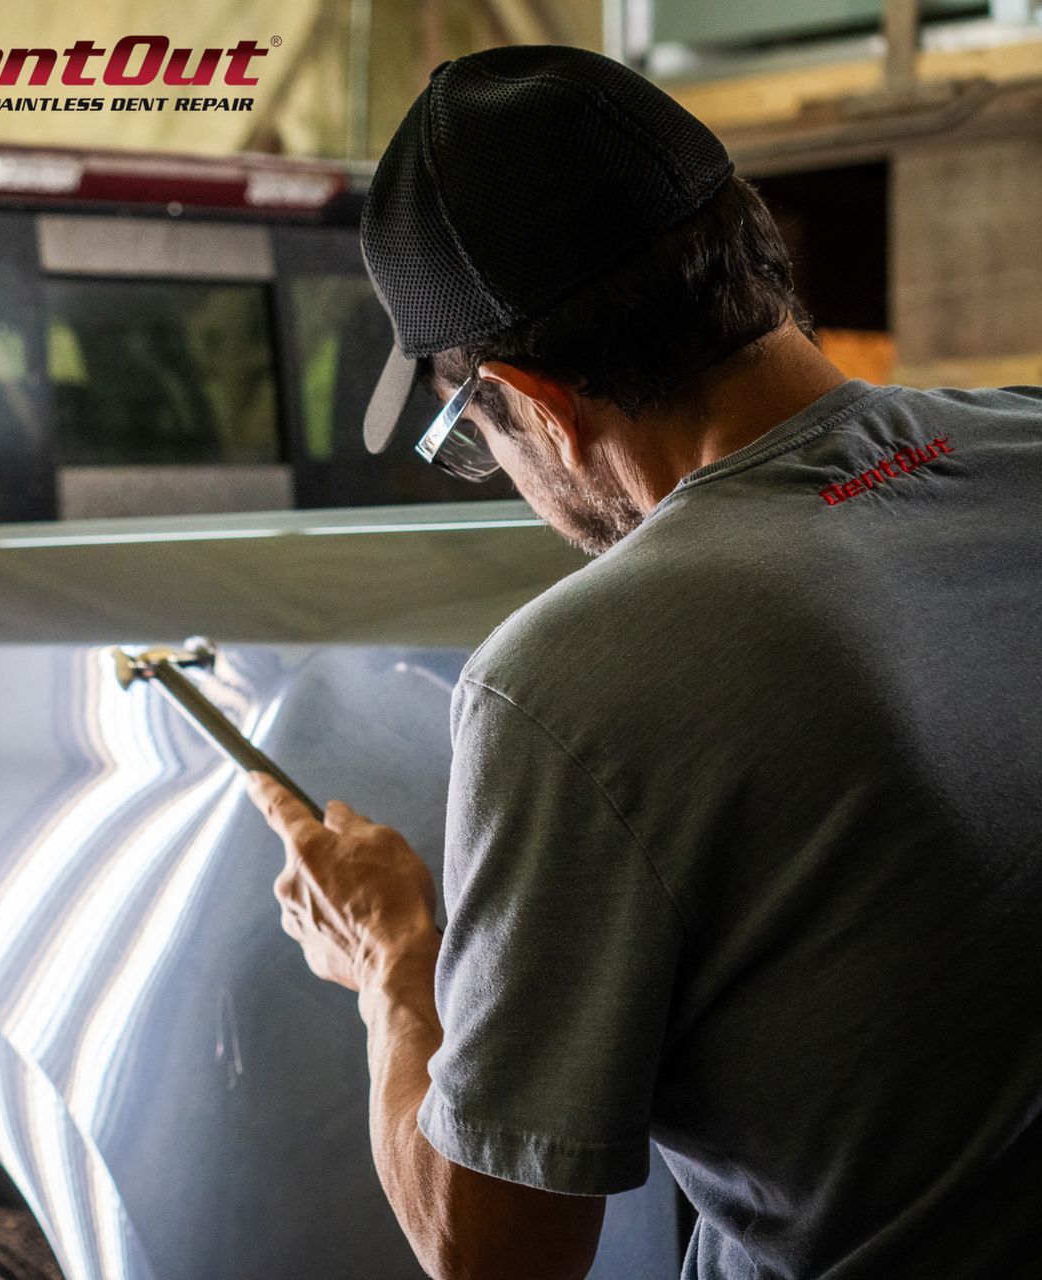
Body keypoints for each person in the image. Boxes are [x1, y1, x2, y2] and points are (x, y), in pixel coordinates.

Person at [246, 43, 1042, 1280]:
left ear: (537, 403)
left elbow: (493, 1254)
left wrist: (393, 963)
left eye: (471, 435)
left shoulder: (565, 682)